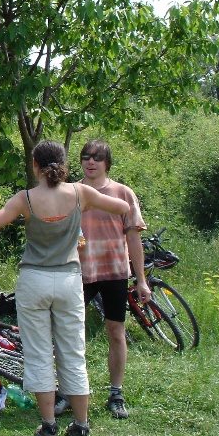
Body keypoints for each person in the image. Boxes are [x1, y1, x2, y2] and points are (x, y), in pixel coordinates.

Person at [0, 140, 130, 436]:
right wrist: (88, 206)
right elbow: (124, 207)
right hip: (70, 279)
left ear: (35, 165)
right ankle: (82, 426)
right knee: (73, 352)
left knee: (38, 354)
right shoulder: (79, 192)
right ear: (65, 164)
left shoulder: (25, 198)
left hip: (34, 279)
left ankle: (48, 427)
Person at [54, 140, 151, 420]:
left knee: (115, 332)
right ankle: (68, 392)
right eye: (86, 157)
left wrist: (141, 280)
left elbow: (133, 238)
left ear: (107, 162)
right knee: (68, 334)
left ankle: (116, 393)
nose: (91, 162)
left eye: (97, 157)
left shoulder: (122, 193)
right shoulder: (69, 192)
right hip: (76, 273)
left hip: (114, 272)